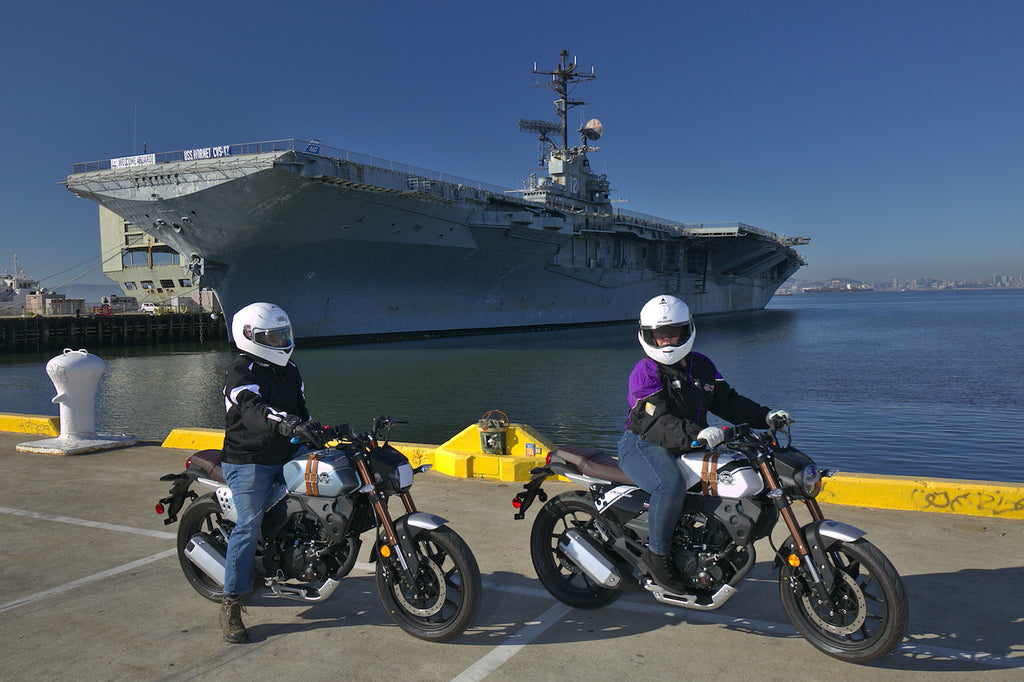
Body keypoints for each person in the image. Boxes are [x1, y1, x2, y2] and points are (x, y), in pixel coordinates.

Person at [617, 294, 789, 594]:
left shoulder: (702, 365)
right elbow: (657, 422)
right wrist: (698, 433)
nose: (667, 341)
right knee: (668, 485)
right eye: (659, 336)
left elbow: (728, 401)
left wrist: (766, 415)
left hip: (690, 442)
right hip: (644, 444)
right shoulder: (645, 371)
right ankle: (657, 556)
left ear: (687, 331)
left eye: (673, 333)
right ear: (648, 336)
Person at [218, 302, 324, 643]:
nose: (280, 341)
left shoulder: (289, 369)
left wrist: (315, 430)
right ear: (250, 337)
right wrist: (284, 422)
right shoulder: (241, 371)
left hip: (286, 451)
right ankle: (232, 601)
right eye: (272, 336)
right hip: (249, 458)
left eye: (283, 335)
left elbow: (301, 410)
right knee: (248, 524)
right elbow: (252, 409)